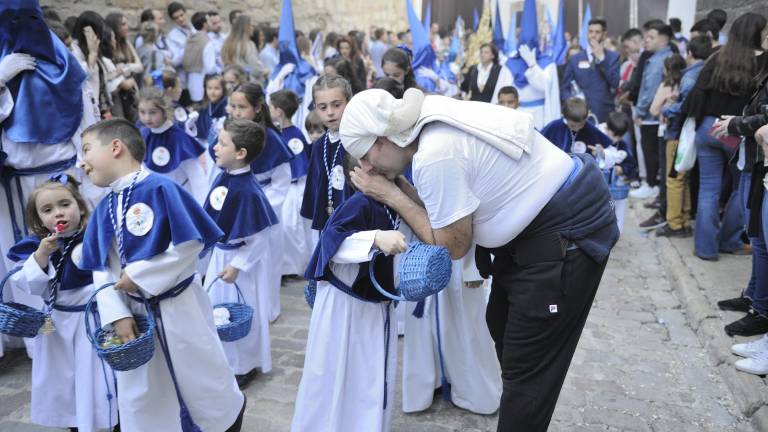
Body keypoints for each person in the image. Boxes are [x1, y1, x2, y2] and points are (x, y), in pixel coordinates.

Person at [340, 87, 618, 432]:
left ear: (384, 139)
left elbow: (452, 244)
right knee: (499, 322)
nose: (365, 167)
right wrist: (399, 190)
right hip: (534, 233)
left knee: (527, 369)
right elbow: (443, 209)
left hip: (565, 233)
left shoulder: (434, 154)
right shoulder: (431, 118)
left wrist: (393, 195)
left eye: (365, 155)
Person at [78, 118, 246, 432]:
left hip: (179, 308)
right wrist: (116, 315)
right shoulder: (104, 207)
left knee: (199, 376)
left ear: (116, 147)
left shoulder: (160, 187)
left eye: (86, 149)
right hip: (135, 317)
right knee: (144, 394)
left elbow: (190, 243)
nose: (81, 161)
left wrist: (140, 275)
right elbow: (102, 269)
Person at [0, 0, 102, 359]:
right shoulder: (4, 68)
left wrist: (87, 176)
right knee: (20, 257)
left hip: (59, 181)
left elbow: (87, 129)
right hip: (12, 188)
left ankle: (60, 327)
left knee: (62, 254)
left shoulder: (65, 71)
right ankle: (23, 332)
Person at [291, 156, 403, 432]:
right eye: (366, 163)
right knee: (333, 373)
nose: (375, 167)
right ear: (355, 172)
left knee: (366, 377)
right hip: (345, 306)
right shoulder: (358, 203)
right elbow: (331, 243)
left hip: (373, 305)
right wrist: (374, 238)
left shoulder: (390, 200)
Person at [7, 175, 117, 431]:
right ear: (38, 219)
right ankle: (73, 422)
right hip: (55, 323)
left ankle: (106, 419)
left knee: (96, 377)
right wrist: (43, 255)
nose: (58, 214)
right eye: (48, 210)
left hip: (92, 320)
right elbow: (29, 284)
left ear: (79, 206)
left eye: (65, 204)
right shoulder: (37, 246)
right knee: (62, 378)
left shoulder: (95, 236)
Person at [683, 13, 768, 261]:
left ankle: (705, 248)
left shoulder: (718, 56)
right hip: (740, 132)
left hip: (709, 128)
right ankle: (729, 240)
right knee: (742, 189)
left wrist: (698, 125)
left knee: (708, 189)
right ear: (757, 33)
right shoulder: (764, 62)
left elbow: (697, 93)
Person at [204, 118, 279, 387]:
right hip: (220, 257)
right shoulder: (223, 176)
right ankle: (222, 360)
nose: (215, 147)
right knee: (217, 311)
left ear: (240, 153)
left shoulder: (248, 190)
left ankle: (244, 364)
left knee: (241, 310)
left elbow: (260, 236)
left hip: (239, 264)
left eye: (222, 143)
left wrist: (237, 264)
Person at [210, 83, 294, 321]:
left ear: (258, 108)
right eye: (233, 106)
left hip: (263, 212)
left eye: (242, 107)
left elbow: (281, 182)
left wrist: (255, 209)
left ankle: (265, 311)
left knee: (264, 267)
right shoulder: (227, 137)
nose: (236, 112)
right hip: (235, 207)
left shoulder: (272, 140)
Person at [657, 36, 713, 238]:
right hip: (692, 131)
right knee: (684, 177)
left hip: (678, 132)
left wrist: (668, 107)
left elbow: (683, 108)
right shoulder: (707, 71)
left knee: (673, 178)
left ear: (689, 53)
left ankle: (674, 225)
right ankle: (685, 219)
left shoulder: (689, 77)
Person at [300, 75, 355, 244]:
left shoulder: (357, 140)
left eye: (336, 105)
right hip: (328, 221)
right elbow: (315, 186)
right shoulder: (319, 145)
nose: (330, 112)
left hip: (355, 224)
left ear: (349, 102)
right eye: (322, 107)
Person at [630, 22, 675, 209]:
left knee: (650, 151)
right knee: (654, 152)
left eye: (651, 37)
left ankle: (650, 184)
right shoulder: (662, 57)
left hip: (651, 115)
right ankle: (652, 184)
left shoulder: (657, 62)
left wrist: (639, 111)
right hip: (657, 114)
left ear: (663, 39)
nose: (646, 41)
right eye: (646, 36)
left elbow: (648, 91)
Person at [136, 87, 207, 204]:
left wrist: (202, 207)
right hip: (155, 199)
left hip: (181, 196)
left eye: (152, 112)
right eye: (142, 112)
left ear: (164, 111)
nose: (147, 118)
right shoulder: (142, 136)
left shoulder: (179, 138)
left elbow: (196, 176)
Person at [270, 90, 312, 276]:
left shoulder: (294, 136)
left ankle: (294, 267)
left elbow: (298, 164)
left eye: (271, 107)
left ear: (279, 111)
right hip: (284, 187)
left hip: (293, 188)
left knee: (292, 227)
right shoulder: (277, 133)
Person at [647, 53, 688, 232]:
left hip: (667, 133)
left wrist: (665, 103)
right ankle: (685, 216)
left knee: (669, 176)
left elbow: (653, 109)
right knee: (684, 177)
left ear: (667, 69)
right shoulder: (687, 84)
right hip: (686, 134)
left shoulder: (666, 85)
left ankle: (671, 219)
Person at [560, 18, 621, 123]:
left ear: (604, 34)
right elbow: (564, 88)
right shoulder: (575, 59)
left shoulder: (613, 57)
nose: (593, 35)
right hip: (579, 116)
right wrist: (572, 103)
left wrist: (601, 59)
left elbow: (615, 83)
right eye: (590, 31)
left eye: (597, 32)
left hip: (604, 114)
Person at [602, 112, 637, 233]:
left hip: (617, 186)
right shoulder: (599, 140)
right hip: (601, 184)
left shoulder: (623, 146)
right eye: (613, 135)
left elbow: (631, 164)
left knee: (619, 208)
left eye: (619, 136)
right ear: (606, 128)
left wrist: (623, 169)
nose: (615, 139)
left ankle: (616, 232)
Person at [105, 12, 143, 123]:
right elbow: (108, 72)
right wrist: (121, 78)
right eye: (123, 24)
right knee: (121, 123)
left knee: (136, 120)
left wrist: (125, 68)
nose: (127, 27)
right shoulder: (107, 47)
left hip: (131, 90)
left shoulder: (126, 43)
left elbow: (139, 66)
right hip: (116, 94)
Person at [541, 97, 613, 154]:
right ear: (565, 117)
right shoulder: (555, 126)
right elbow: (540, 141)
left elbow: (608, 148)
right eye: (572, 125)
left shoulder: (590, 129)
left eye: (581, 125)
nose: (577, 129)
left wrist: (602, 153)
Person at [222, 15, 269, 85]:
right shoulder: (248, 45)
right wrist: (265, 71)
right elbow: (256, 68)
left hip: (231, 82)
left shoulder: (227, 43)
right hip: (248, 83)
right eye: (250, 25)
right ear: (245, 28)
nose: (252, 28)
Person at [182, 11, 218, 103]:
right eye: (209, 21)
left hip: (189, 83)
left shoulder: (190, 39)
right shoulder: (206, 41)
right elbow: (210, 68)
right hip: (202, 84)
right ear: (204, 24)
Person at [166, 2, 195, 89]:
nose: (180, 19)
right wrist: (188, 44)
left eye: (181, 15)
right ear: (173, 20)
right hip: (184, 80)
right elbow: (174, 61)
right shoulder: (172, 36)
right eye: (176, 18)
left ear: (186, 13)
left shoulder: (195, 28)